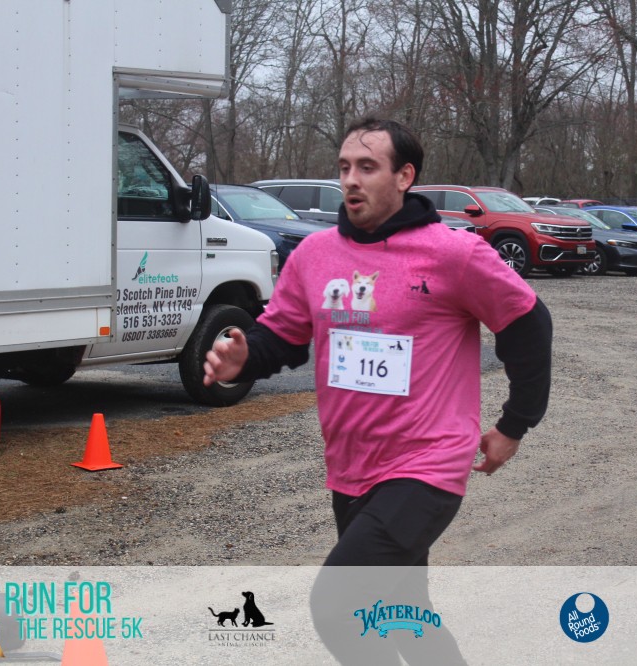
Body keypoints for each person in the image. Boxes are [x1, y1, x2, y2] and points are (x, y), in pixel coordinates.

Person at [203, 117, 552, 663]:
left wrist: (515, 424)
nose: (351, 180)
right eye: (344, 167)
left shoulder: (453, 254)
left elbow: (528, 323)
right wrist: (243, 356)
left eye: (367, 167)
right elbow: (282, 335)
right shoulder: (315, 255)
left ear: (404, 176)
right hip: (351, 466)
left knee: (337, 607)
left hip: (426, 465)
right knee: (404, 615)